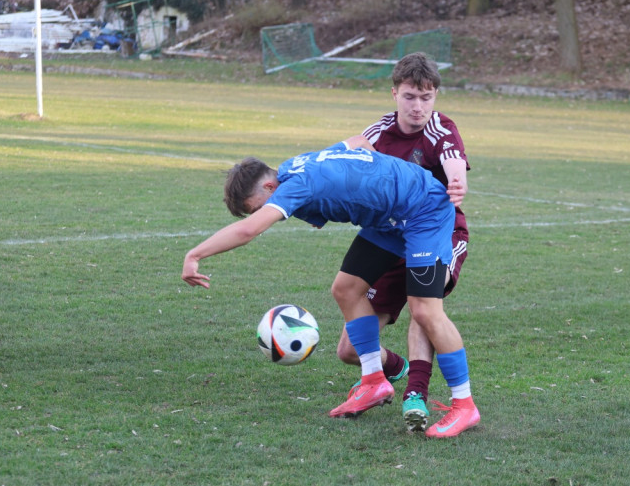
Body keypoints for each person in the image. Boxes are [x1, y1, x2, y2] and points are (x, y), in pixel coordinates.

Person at [181, 137, 480, 438]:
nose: (266, 212)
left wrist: (195, 254)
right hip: (388, 218)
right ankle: (374, 380)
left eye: (261, 207)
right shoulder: (292, 167)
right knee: (346, 288)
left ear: (270, 188)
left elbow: (248, 230)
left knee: (425, 311)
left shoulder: (296, 185)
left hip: (424, 209)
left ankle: (464, 405)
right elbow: (358, 142)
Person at [335, 52, 470, 433]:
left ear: (436, 97)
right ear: (394, 93)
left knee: (422, 307)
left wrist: (457, 181)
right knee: (349, 350)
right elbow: (344, 150)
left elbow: (454, 160)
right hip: (393, 236)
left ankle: (418, 395)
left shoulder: (442, 131)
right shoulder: (381, 131)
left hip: (441, 235)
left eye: (426, 97)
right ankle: (387, 375)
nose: (418, 106)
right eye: (410, 96)